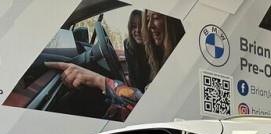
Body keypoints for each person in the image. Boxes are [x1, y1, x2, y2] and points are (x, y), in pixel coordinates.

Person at [45, 10, 184, 120]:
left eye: (156, 18)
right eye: (147, 20)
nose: (149, 26)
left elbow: (148, 105)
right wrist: (122, 104)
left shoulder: (179, 62)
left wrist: (99, 80)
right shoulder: (158, 56)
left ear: (171, 22)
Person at [123, 10, 150, 92]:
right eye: (134, 26)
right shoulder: (128, 45)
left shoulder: (153, 46)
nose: (137, 30)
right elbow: (132, 75)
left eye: (141, 26)